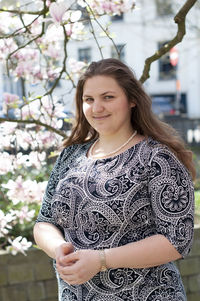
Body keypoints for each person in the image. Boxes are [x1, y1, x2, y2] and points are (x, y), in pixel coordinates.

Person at [33, 58, 195, 301]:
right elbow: (44, 222)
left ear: (131, 100)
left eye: (108, 97)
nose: (97, 107)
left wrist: (100, 261)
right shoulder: (70, 155)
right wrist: (59, 248)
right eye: (89, 100)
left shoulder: (157, 157)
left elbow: (176, 240)